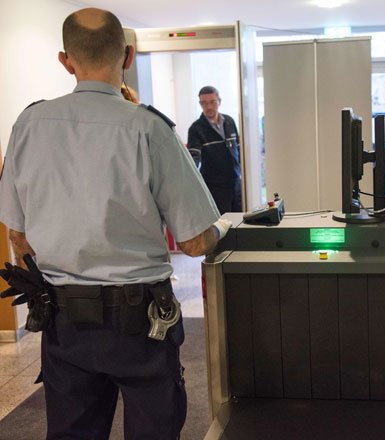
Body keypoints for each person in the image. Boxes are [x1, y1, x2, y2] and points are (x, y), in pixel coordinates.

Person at [0, 8, 232, 439]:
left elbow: (17, 233)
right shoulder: (148, 128)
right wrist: (228, 226)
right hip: (141, 322)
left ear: (65, 61)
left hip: (63, 320)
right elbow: (197, 241)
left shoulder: (27, 125)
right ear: (127, 57)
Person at [187, 86, 242, 214]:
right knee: (223, 225)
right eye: (204, 103)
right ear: (200, 104)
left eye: (212, 102)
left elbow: (239, 149)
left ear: (219, 102)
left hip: (235, 183)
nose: (209, 107)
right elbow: (194, 156)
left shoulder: (229, 121)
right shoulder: (196, 129)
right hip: (215, 187)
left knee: (240, 222)